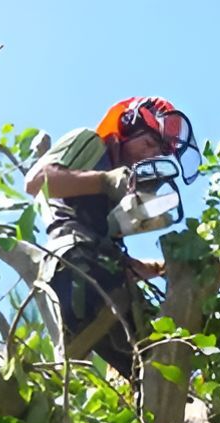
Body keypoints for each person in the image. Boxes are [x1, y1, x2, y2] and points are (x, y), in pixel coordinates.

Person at [24, 97, 201, 378]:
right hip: (74, 267)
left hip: (100, 272)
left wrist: (165, 268)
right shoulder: (90, 144)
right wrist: (104, 182)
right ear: (128, 128)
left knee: (163, 360)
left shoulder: (120, 199)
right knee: (158, 354)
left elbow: (111, 253)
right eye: (148, 144)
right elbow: (36, 182)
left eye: (157, 152)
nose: (150, 155)